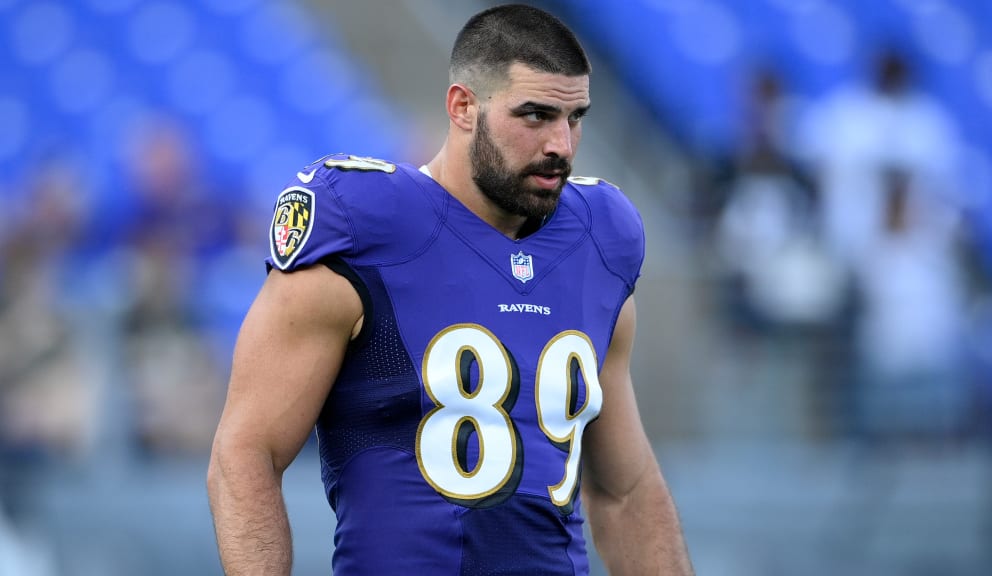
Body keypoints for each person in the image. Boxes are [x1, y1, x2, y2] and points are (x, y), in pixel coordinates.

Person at [207, 4, 694, 575]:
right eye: (535, 115)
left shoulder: (598, 239)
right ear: (464, 107)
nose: (561, 143)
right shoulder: (366, 227)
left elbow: (624, 489)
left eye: (574, 116)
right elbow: (245, 452)